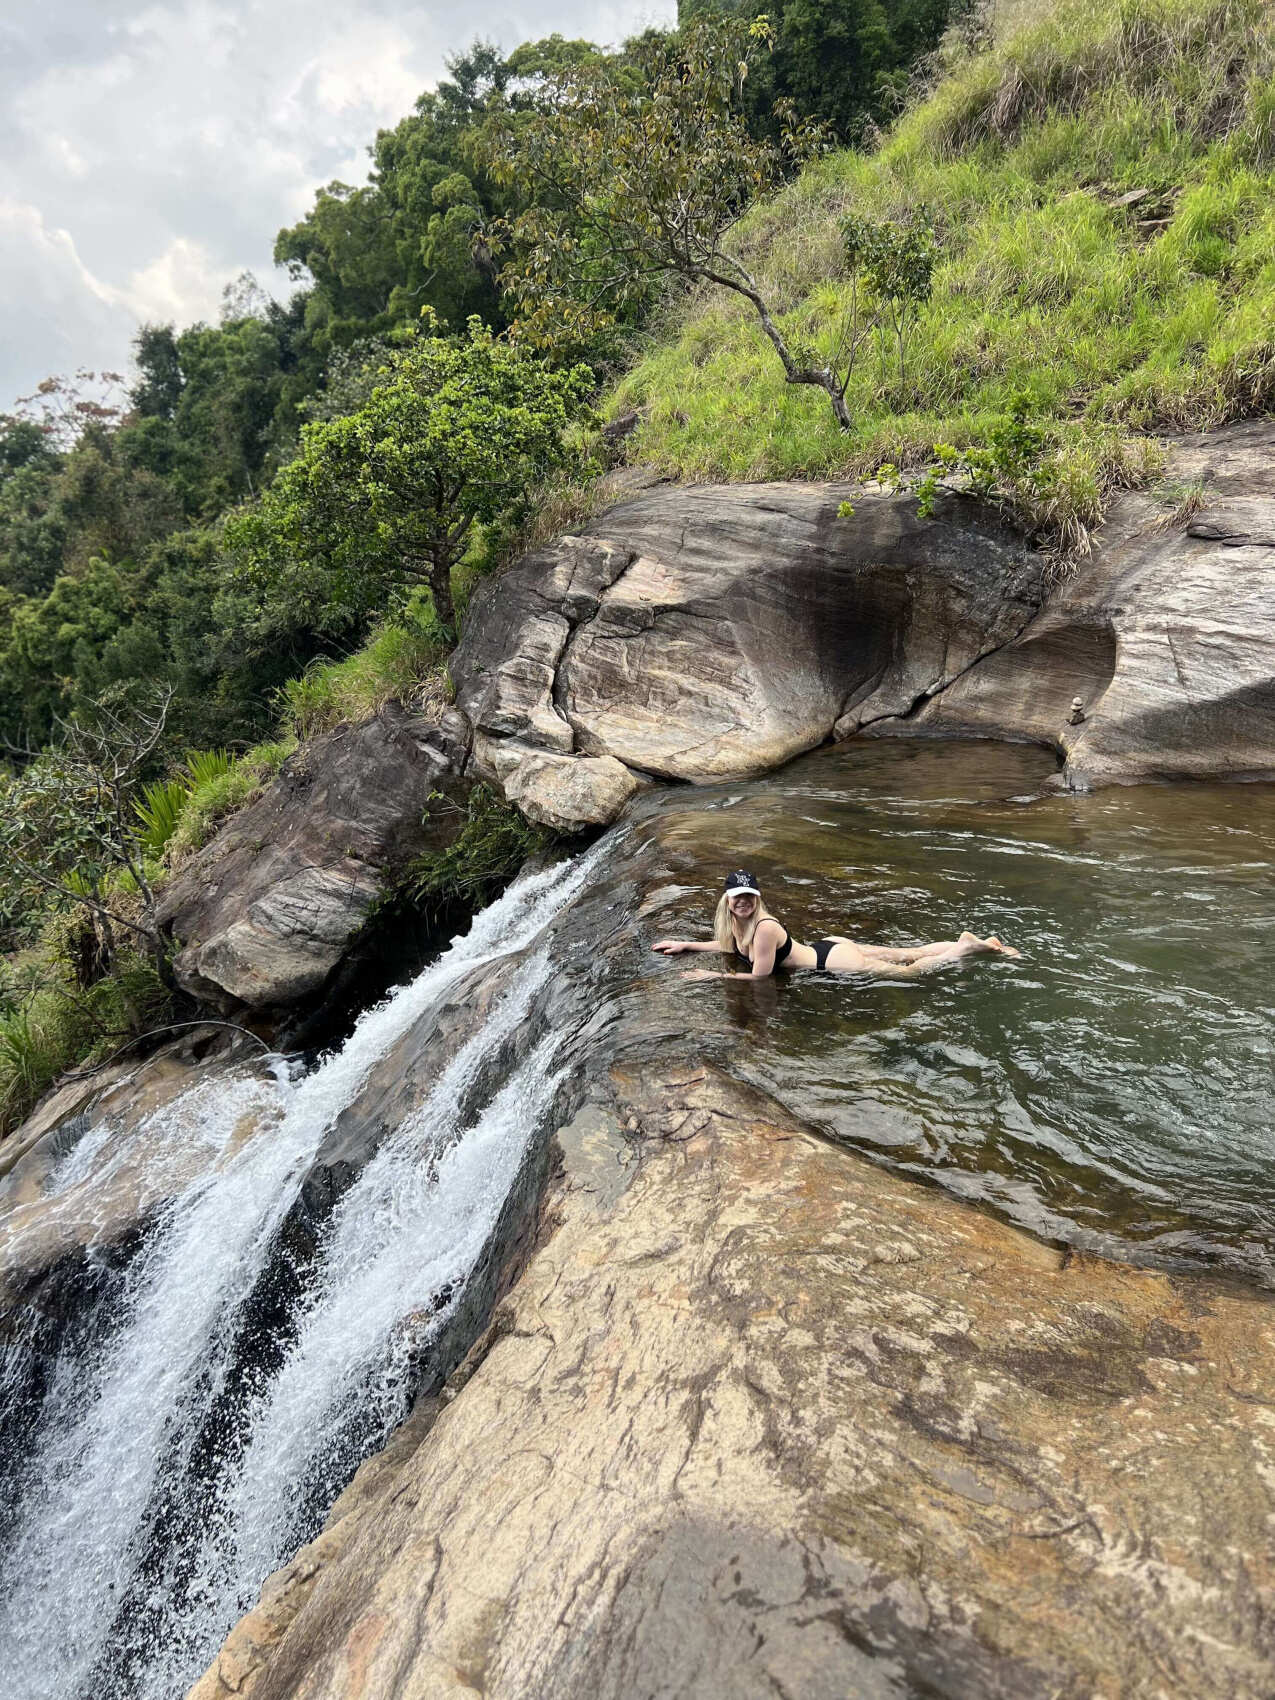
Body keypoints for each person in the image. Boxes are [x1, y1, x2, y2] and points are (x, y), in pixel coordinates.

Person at [652, 870, 1020, 981]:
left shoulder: (763, 926)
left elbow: (761, 975)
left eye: (749, 896)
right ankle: (989, 945)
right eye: (738, 897)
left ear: (757, 897)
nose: (744, 901)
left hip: (833, 963)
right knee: (909, 953)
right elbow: (730, 947)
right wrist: (688, 944)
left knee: (909, 972)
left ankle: (965, 949)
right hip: (829, 945)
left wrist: (711, 977)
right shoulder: (736, 923)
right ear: (728, 900)